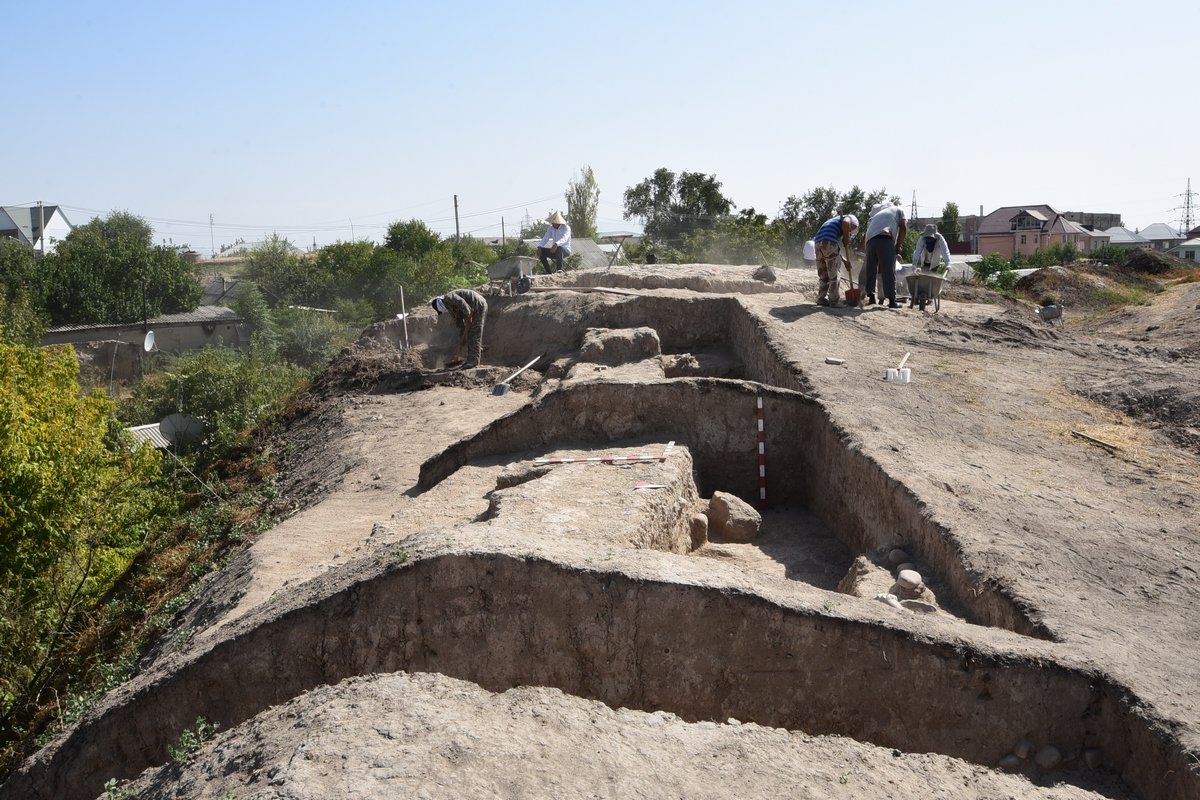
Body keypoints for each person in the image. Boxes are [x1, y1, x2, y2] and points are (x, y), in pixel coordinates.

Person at [859, 201, 907, 308]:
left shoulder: (879, 214)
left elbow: (867, 231)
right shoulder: (900, 210)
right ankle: (892, 301)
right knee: (888, 270)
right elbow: (903, 227)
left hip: (870, 240)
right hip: (885, 238)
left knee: (871, 269)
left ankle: (871, 297)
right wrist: (898, 246)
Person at [430, 288, 488, 369]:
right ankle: (470, 359)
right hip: (473, 308)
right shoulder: (451, 308)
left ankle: (473, 362)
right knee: (469, 334)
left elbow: (463, 304)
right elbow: (460, 324)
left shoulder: (449, 297)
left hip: (478, 304)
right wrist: (462, 338)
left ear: (440, 305)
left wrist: (468, 320)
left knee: (474, 334)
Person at [811, 213, 859, 306]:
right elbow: (845, 223)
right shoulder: (847, 218)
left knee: (824, 274)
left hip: (818, 243)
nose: (849, 231)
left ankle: (821, 299)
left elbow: (833, 251)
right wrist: (846, 238)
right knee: (834, 274)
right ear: (853, 223)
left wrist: (844, 261)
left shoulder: (834, 222)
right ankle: (834, 301)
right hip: (828, 242)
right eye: (851, 229)